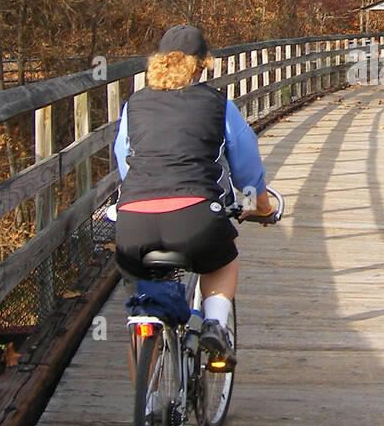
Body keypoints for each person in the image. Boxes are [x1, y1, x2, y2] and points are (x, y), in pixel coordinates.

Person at [112, 24, 273, 370]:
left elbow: (125, 159)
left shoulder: (134, 105)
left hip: (133, 222)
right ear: (202, 66)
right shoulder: (217, 105)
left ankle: (147, 409)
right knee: (223, 259)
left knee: (143, 312)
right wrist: (261, 205)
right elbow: (245, 163)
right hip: (196, 218)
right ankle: (214, 324)